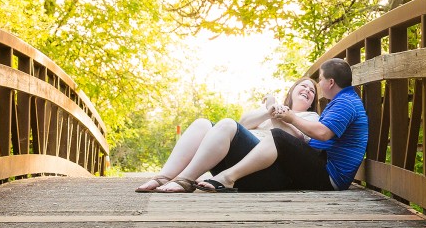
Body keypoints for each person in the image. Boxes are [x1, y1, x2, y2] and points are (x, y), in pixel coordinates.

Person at [195, 58, 367, 193]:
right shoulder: (344, 100)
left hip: (331, 177)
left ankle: (227, 177)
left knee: (278, 137)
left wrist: (291, 117)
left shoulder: (345, 102)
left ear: (330, 83)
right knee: (278, 139)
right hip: (324, 165)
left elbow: (323, 134)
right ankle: (217, 177)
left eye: (320, 80)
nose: (319, 85)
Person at [134, 77, 321, 193]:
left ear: (313, 101)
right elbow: (243, 124)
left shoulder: (310, 117)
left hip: (264, 170)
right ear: (292, 90)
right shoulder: (272, 107)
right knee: (202, 124)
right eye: (303, 86)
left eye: (312, 91)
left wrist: (283, 116)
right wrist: (269, 109)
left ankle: (186, 180)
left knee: (226, 124)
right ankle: (165, 176)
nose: (307, 91)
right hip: (232, 159)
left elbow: (293, 142)